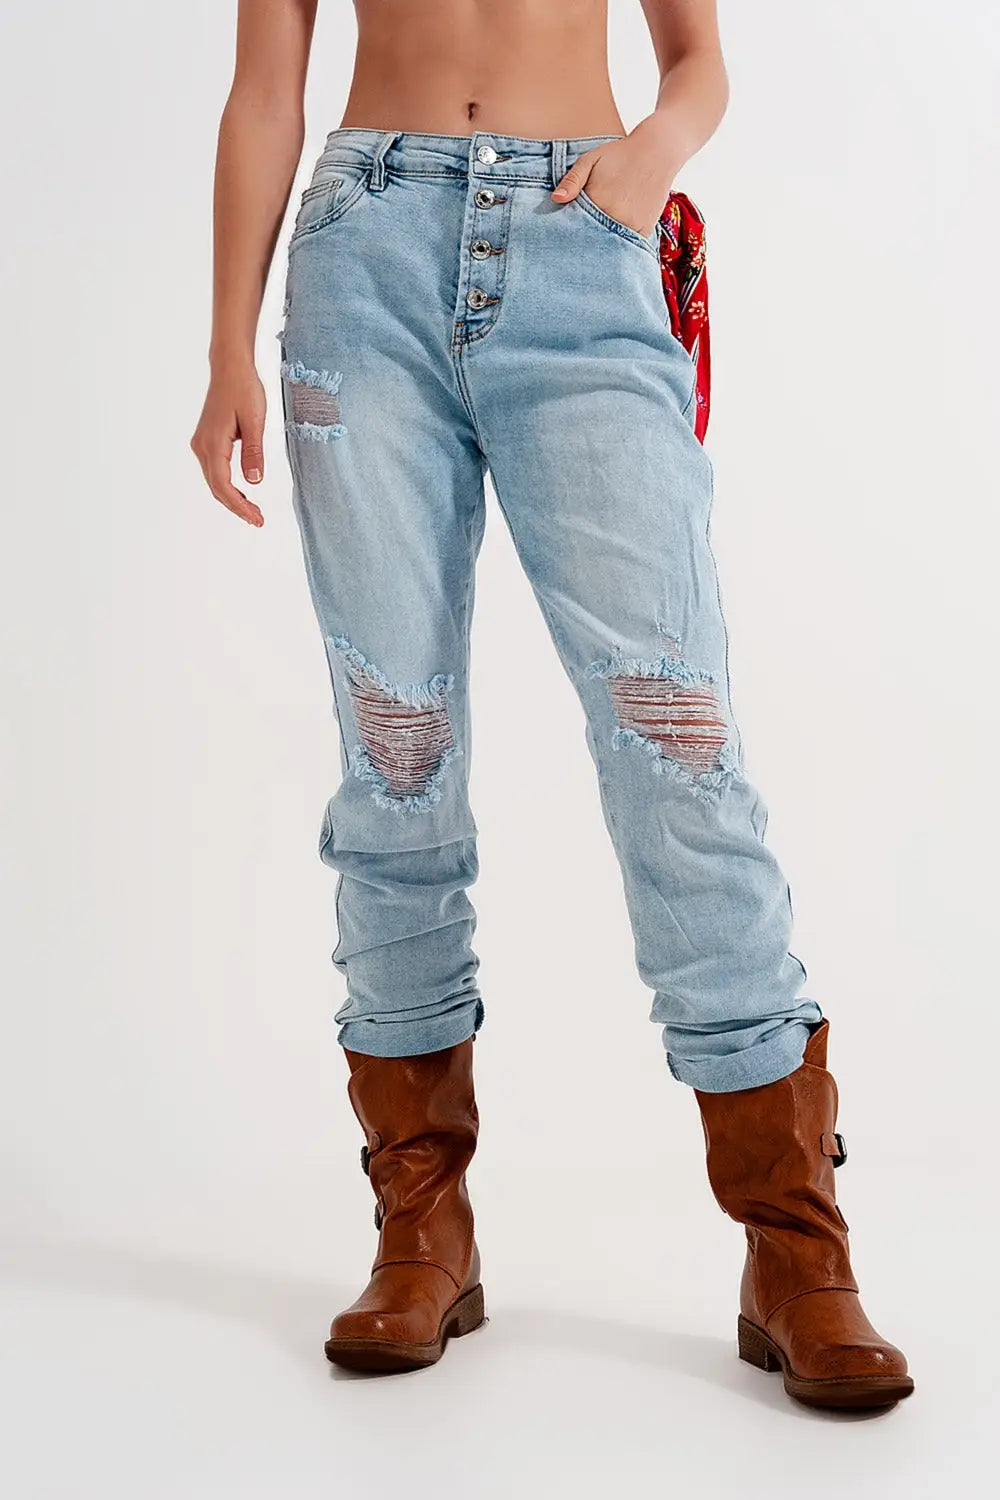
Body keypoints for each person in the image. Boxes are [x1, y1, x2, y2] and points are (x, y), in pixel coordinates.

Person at [191, 0, 912, 1410]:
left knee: (678, 754)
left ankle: (796, 1251)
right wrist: (227, 342)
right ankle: (422, 1233)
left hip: (584, 241)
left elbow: (698, 61)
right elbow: (264, 89)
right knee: (396, 760)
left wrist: (650, 156)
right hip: (362, 259)